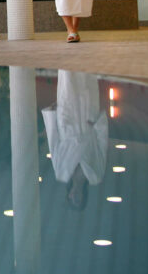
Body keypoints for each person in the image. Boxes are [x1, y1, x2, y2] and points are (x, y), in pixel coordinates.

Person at [41, 70, 108, 210]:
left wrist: (51, 114)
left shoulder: (62, 173)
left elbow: (53, 143)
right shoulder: (96, 175)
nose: (75, 197)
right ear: (84, 198)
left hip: (67, 122)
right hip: (88, 121)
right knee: (87, 79)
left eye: (72, 200)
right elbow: (102, 143)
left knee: (67, 79)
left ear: (69, 196)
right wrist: (98, 124)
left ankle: (66, 48)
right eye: (79, 201)